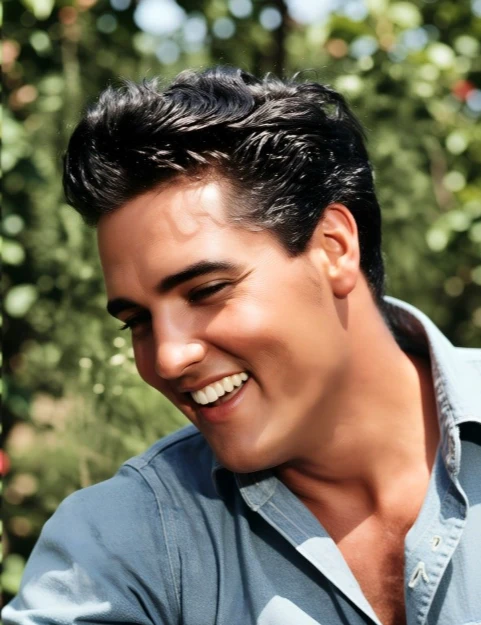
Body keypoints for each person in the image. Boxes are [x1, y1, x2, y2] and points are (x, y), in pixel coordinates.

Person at [3, 67, 480, 625]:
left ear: (333, 247)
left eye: (206, 290)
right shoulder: (123, 545)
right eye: (137, 321)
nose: (167, 359)